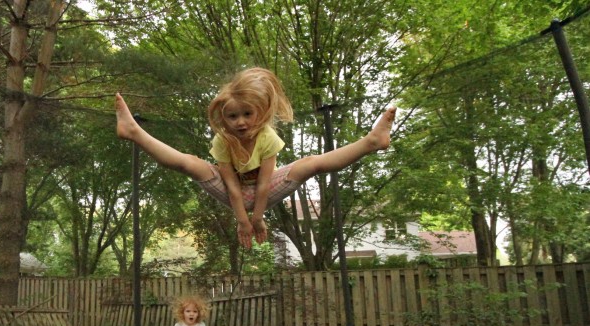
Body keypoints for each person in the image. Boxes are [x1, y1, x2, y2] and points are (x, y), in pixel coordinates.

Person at [115, 67, 396, 249]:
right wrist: (242, 221)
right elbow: (234, 191)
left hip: (264, 191)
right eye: (232, 116)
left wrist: (258, 218)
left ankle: (371, 142)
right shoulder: (223, 140)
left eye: (247, 114)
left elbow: (263, 185)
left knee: (311, 163)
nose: (240, 122)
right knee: (189, 162)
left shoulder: (267, 138)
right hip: (232, 192)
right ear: (222, 118)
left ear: (259, 112)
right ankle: (134, 132)